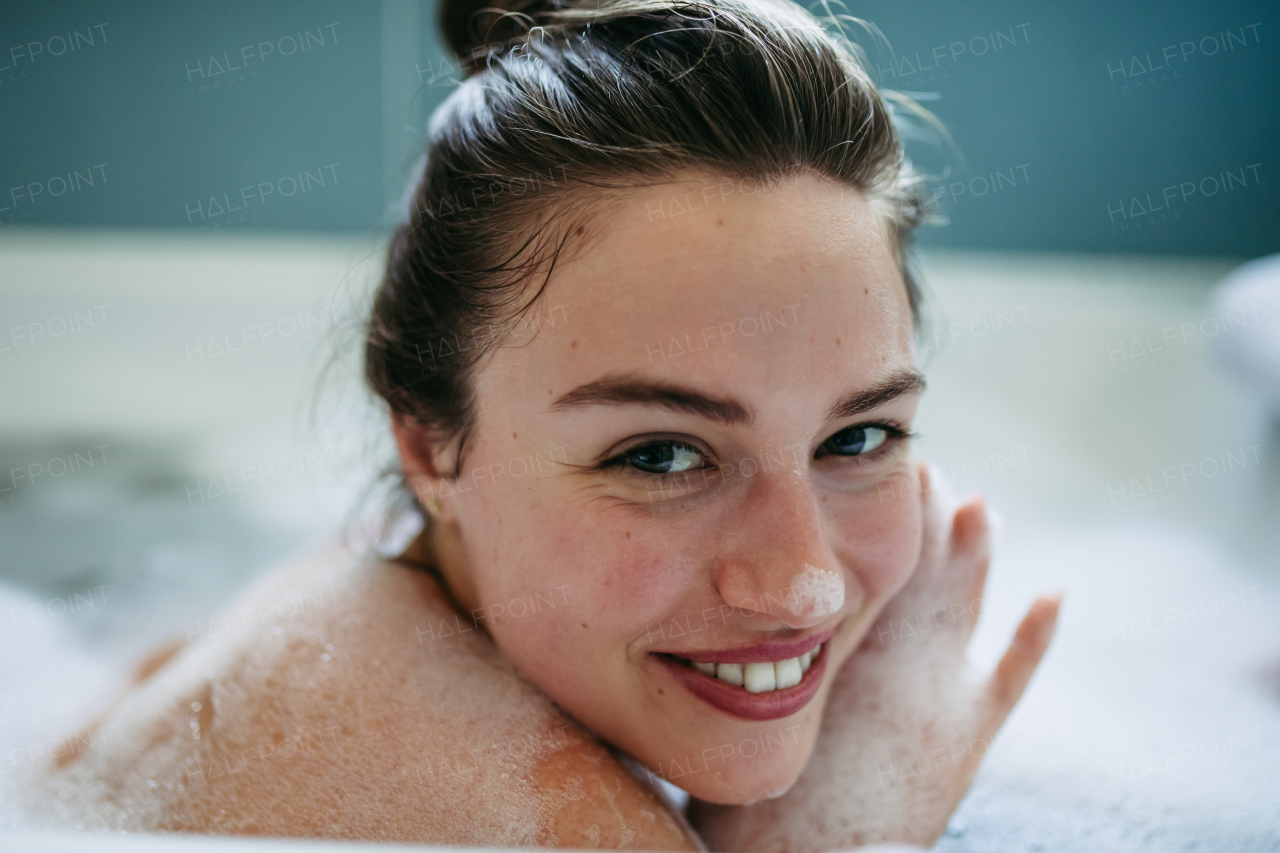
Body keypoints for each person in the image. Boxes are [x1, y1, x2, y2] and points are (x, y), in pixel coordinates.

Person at [29, 0, 1060, 847]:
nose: (806, 582)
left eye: (856, 438)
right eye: (660, 455)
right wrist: (832, 836)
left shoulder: (382, 594)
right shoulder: (544, 819)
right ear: (430, 445)